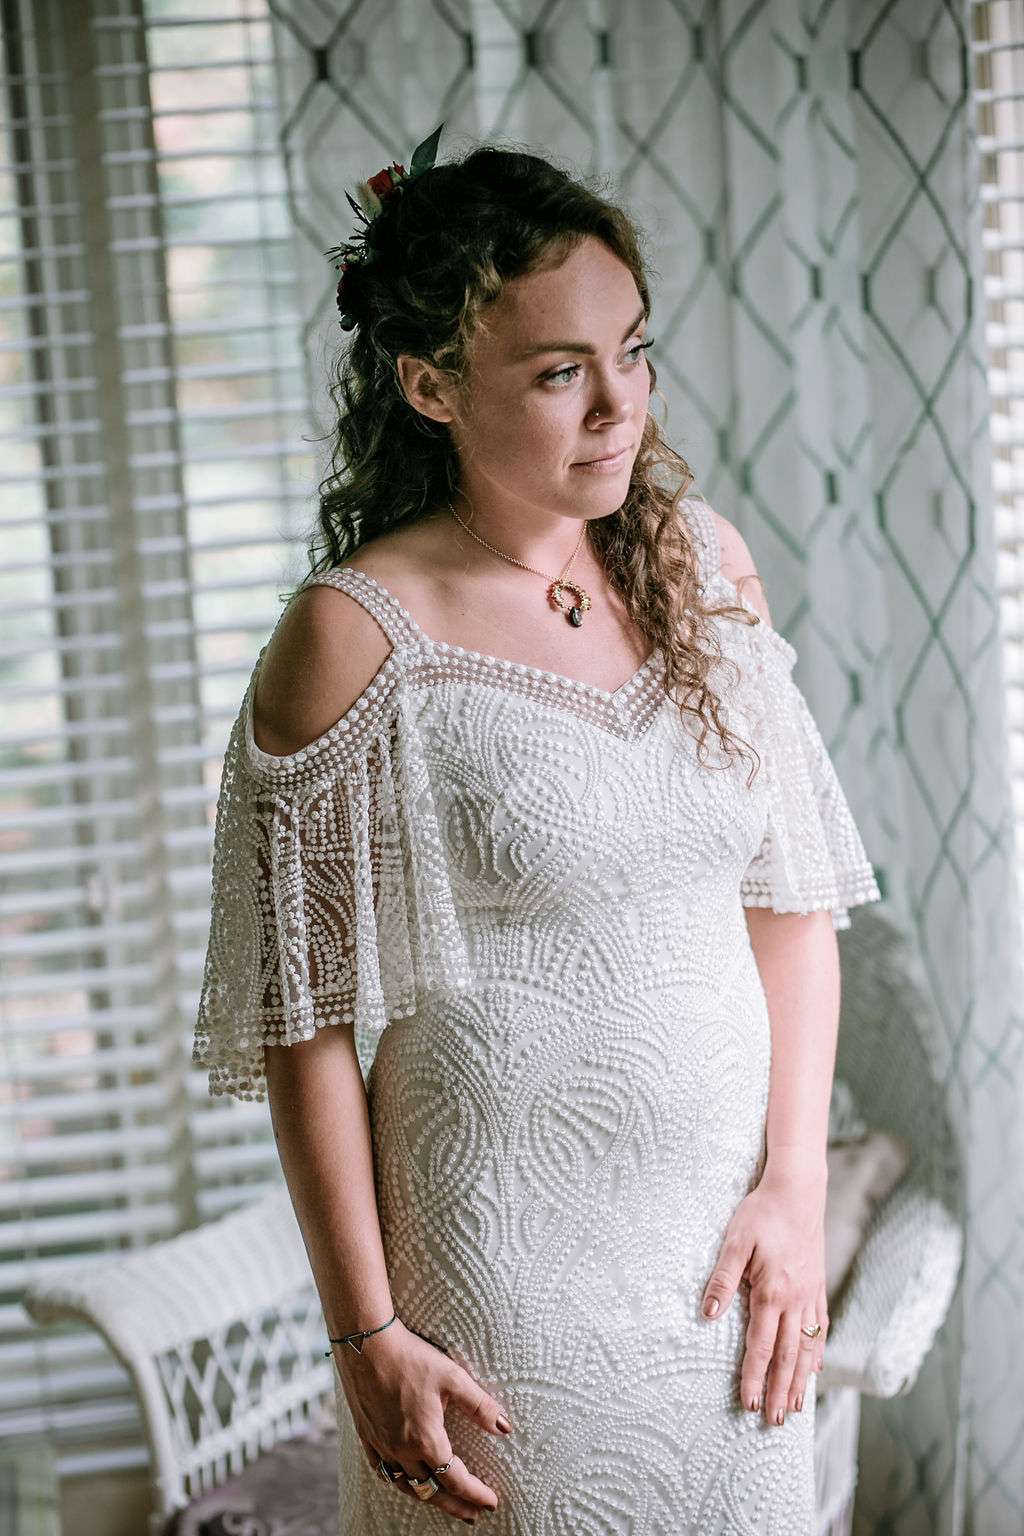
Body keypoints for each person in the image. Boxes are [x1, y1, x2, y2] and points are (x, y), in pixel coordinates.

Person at [193, 123, 881, 1534]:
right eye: (561, 372)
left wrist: (796, 1192)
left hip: (734, 1261)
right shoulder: (352, 638)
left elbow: (790, 904)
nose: (619, 406)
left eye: (634, 352)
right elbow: (305, 1030)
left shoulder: (704, 565)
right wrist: (365, 1334)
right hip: (499, 1287)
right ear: (430, 384)